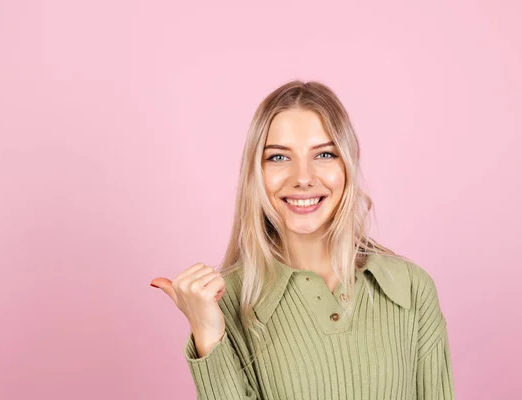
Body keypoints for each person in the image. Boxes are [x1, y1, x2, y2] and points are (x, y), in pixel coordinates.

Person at [150, 80, 455, 399]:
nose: (304, 178)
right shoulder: (225, 300)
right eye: (279, 158)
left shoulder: (409, 288)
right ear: (256, 173)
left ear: (348, 165)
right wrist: (208, 332)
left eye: (324, 154)